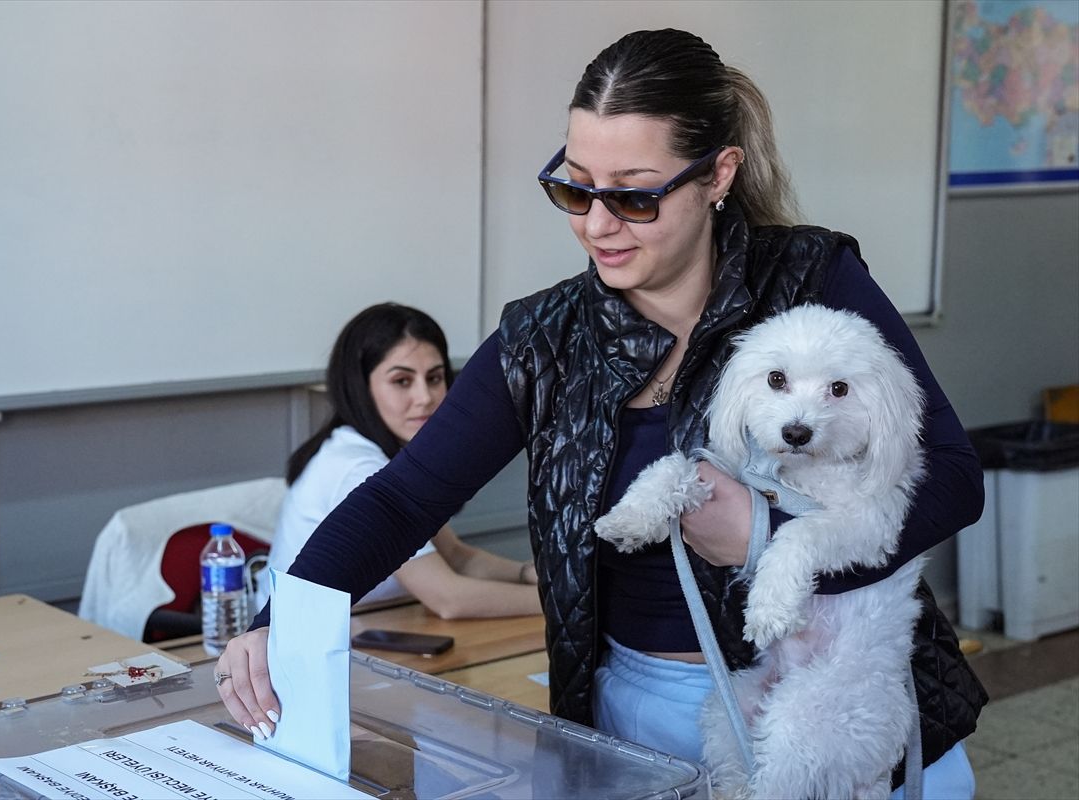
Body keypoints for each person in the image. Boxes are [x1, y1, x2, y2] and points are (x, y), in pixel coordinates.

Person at [218, 29, 986, 798]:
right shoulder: (545, 339)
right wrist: (279, 616)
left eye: (634, 194)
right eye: (574, 186)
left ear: (718, 174)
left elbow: (952, 477)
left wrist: (765, 537)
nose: (596, 223)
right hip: (638, 710)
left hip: (844, 702)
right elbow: (404, 495)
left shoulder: (813, 276)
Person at [258, 302, 540, 620]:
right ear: (361, 388)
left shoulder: (387, 454)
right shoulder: (356, 466)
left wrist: (531, 575)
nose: (425, 397)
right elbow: (449, 599)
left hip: (378, 632)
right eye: (402, 381)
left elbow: (459, 557)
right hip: (313, 651)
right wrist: (570, 607)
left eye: (434, 378)